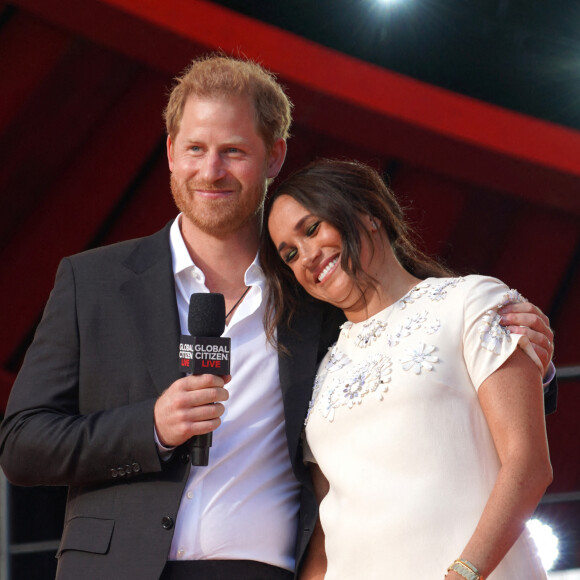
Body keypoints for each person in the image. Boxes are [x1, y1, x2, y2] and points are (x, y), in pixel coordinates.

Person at [0, 55, 554, 580]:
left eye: (233, 151)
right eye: (195, 148)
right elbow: (23, 444)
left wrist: (532, 361)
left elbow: (422, 372)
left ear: (275, 155)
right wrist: (151, 427)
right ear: (170, 152)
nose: (210, 171)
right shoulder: (91, 281)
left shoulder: (318, 289)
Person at [260, 158, 553, 579]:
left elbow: (528, 464)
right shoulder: (321, 371)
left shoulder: (472, 301)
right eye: (290, 254)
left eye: (311, 229)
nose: (306, 256)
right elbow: (327, 541)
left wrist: (464, 573)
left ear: (368, 213)